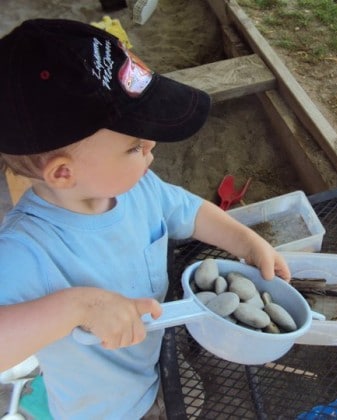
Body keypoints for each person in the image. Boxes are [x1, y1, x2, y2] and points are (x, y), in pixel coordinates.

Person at [0, 18, 290, 418]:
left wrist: (247, 242)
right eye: (135, 145)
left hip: (154, 358)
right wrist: (78, 307)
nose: (151, 145)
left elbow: (190, 210)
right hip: (104, 408)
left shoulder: (138, 188)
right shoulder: (26, 249)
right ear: (63, 173)